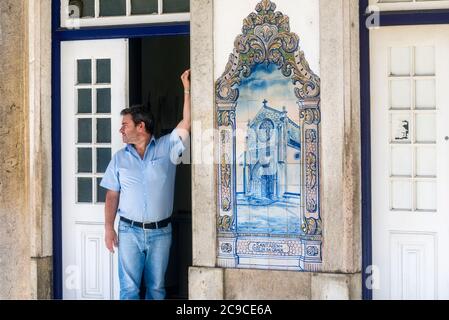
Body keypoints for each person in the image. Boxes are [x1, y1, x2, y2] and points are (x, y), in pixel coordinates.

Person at [100, 70, 191, 300]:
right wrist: (109, 228)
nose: (121, 130)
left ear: (141, 127)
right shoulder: (119, 158)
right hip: (129, 231)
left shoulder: (166, 147)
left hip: (161, 232)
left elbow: (187, 123)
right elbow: (112, 195)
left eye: (125, 125)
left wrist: (187, 89)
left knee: (156, 289)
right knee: (129, 290)